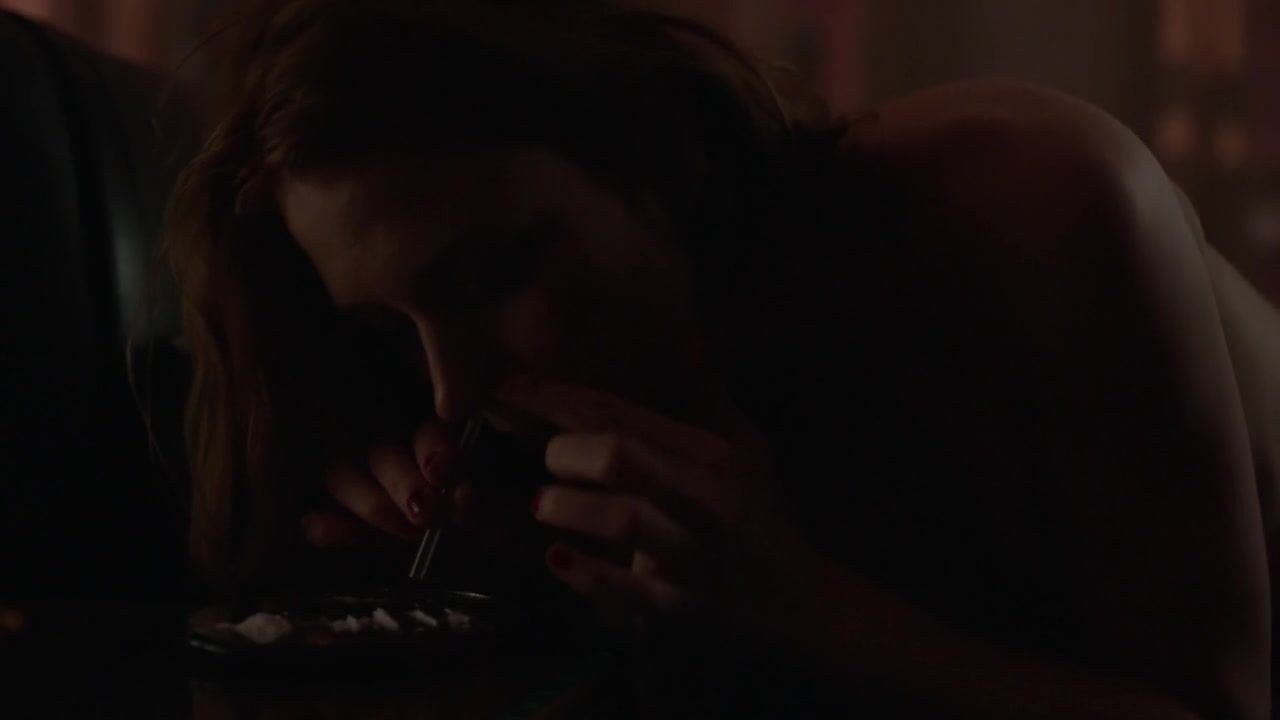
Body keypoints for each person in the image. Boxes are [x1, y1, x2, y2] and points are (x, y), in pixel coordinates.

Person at [163, 1, 1275, 717]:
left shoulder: (1023, 198)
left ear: (663, 151)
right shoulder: (584, 391)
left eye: (492, 275)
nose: (452, 389)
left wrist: (808, 608)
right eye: (389, 329)